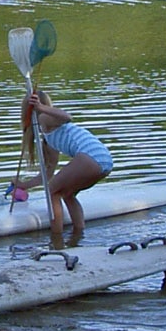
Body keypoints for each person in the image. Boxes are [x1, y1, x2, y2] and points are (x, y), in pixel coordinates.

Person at [24, 88, 113, 247]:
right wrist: (23, 185)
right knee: (67, 194)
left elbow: (67, 117)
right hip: (104, 160)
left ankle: (56, 241)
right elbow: (47, 174)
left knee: (52, 191)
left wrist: (41, 108)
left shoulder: (45, 118)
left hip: (91, 156)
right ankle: (78, 236)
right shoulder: (50, 136)